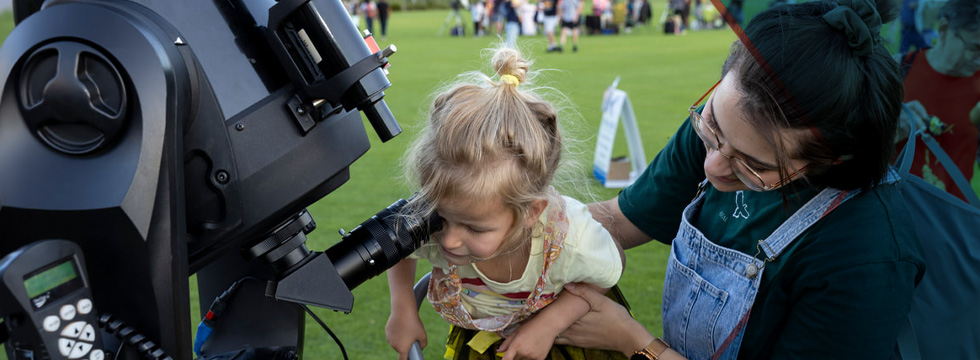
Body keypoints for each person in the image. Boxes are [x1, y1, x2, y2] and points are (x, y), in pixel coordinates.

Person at [551, 0, 926, 359]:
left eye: (753, 165)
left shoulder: (866, 255)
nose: (713, 165)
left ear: (831, 159)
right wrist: (520, 224)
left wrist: (636, 342)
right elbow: (619, 222)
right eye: (711, 125)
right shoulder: (731, 132)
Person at [385, 47, 627, 360]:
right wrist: (402, 310)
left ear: (531, 212)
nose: (448, 239)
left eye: (474, 227)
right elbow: (398, 245)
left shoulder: (568, 239)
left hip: (568, 342)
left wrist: (548, 325)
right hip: (484, 343)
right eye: (441, 218)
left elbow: (607, 271)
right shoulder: (446, 216)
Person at [896, 0, 980, 201]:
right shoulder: (897, 69)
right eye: (975, 47)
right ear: (943, 29)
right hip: (896, 210)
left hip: (950, 219)